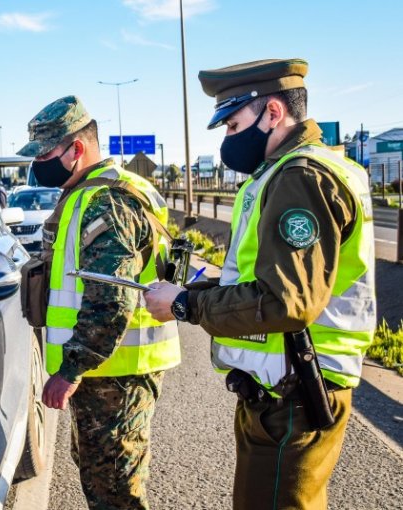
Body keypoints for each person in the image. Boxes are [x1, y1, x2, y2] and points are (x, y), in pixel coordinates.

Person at [143, 59, 375, 509]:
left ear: (272, 112)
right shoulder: (289, 171)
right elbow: (260, 281)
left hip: (296, 395)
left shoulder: (301, 177)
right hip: (285, 391)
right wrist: (189, 296)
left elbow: (285, 301)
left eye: (232, 125)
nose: (228, 139)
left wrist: (185, 307)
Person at [17, 95, 180, 509]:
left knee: (115, 488)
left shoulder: (108, 201)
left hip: (116, 371)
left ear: (77, 148)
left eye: (46, 153)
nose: (39, 165)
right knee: (100, 472)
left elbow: (111, 297)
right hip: (107, 369)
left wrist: (70, 370)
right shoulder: (88, 193)